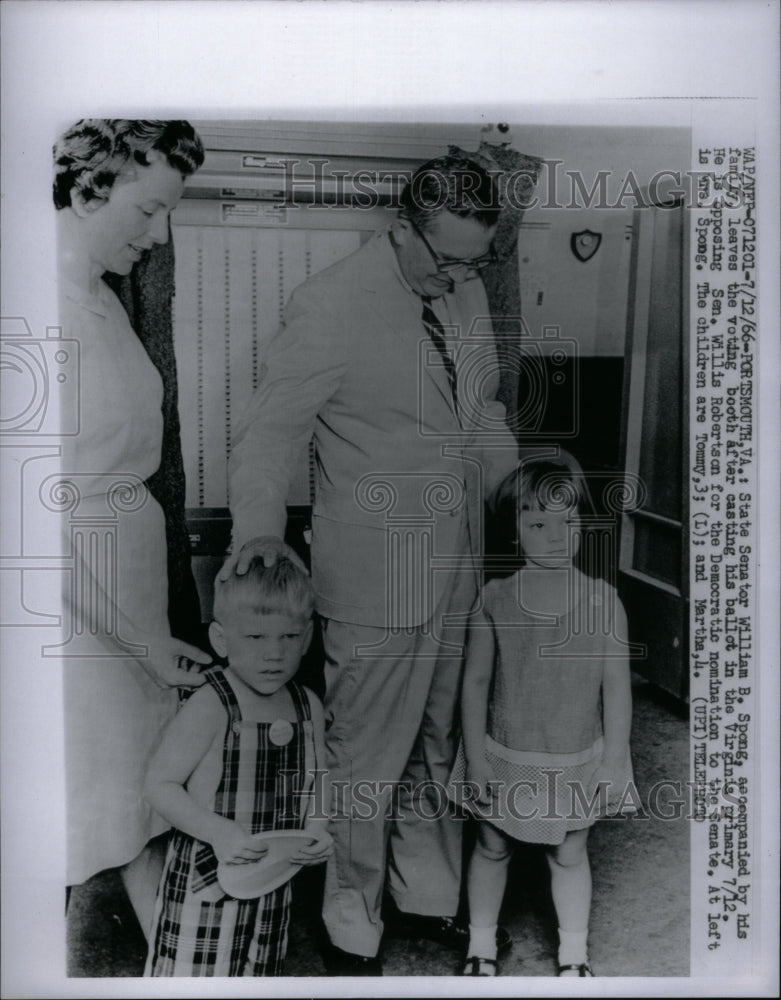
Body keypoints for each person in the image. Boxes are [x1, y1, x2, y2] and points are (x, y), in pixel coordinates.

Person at [224, 154, 520, 973]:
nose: (461, 276)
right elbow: (270, 433)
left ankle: (425, 895)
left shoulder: (461, 292)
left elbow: (482, 411)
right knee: (364, 761)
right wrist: (257, 527)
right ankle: (351, 920)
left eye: (475, 260)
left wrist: (515, 487)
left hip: (456, 562)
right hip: (373, 575)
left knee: (439, 743)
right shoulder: (329, 304)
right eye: (447, 259)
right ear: (401, 228)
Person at [53, 119, 211, 935]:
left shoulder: (101, 301)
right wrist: (139, 641)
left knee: (135, 788)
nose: (158, 235)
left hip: (127, 582)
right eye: (148, 210)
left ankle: (171, 961)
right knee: (87, 797)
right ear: (88, 189)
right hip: (77, 614)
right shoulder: (36, 312)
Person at [450, 457, 634, 977]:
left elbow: (617, 689)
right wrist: (479, 761)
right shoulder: (494, 600)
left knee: (570, 854)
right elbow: (477, 685)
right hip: (506, 753)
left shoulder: (604, 603)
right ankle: (480, 946)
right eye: (537, 524)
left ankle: (574, 956)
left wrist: (614, 761)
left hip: (576, 756)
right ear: (514, 532)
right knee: (491, 844)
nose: (556, 536)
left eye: (567, 522)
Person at [144, 557, 332, 976]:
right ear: (221, 639)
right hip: (206, 884)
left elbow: (318, 775)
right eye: (255, 636)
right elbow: (160, 785)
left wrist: (318, 824)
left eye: (289, 636)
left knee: (260, 975)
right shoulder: (211, 704)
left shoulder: (307, 705)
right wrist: (219, 832)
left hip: (272, 880)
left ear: (307, 638)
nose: (274, 652)